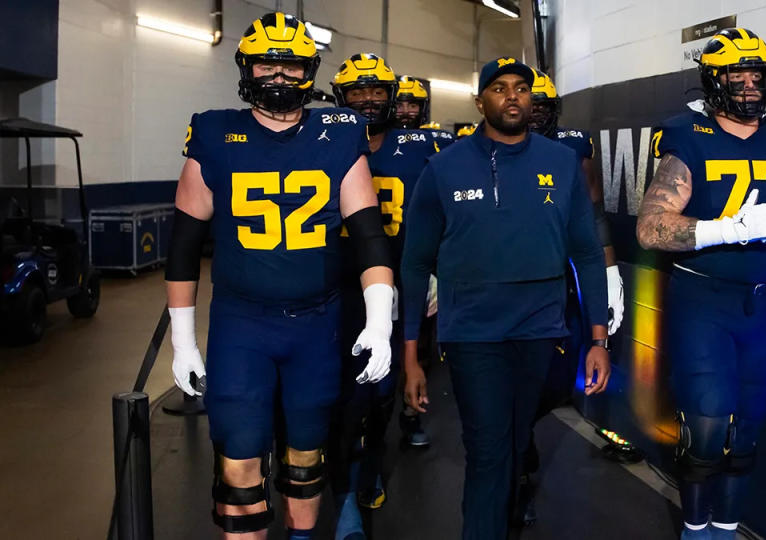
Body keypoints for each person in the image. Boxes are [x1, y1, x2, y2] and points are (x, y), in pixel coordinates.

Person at [165, 13, 395, 540]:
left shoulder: (339, 132)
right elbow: (182, 247)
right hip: (242, 325)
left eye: (291, 64)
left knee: (306, 461)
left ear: (309, 71)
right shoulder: (214, 130)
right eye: (268, 62)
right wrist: (183, 340)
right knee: (240, 473)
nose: (279, 76)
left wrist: (379, 317)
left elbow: (368, 236)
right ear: (246, 66)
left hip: (317, 323)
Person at [635, 28, 766, 540]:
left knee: (748, 429)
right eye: (738, 76)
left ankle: (725, 528)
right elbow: (650, 226)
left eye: (757, 76)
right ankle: (694, 527)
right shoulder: (688, 134)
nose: (750, 86)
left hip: (765, 301)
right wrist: (726, 229)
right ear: (713, 80)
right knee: (706, 429)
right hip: (703, 300)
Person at [401, 56, 611, 540]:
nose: (512, 96)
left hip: (539, 329)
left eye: (521, 87)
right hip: (472, 332)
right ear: (480, 102)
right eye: (499, 88)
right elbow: (414, 264)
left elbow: (585, 250)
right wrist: (411, 355)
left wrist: (599, 338)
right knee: (489, 450)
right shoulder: (443, 167)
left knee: (515, 445)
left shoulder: (560, 163)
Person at [328, 53, 438, 540]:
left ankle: (367, 471)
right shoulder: (322, 139)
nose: (369, 100)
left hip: (396, 285)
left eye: (377, 91)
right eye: (357, 92)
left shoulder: (421, 145)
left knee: (380, 395)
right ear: (340, 96)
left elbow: (441, 211)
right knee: (344, 398)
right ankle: (345, 489)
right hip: (336, 286)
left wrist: (437, 269)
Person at [514, 69, 626, 525]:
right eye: (527, 101)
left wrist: (610, 271)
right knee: (508, 382)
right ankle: (515, 462)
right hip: (504, 282)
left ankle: (520, 433)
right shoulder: (485, 149)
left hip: (558, 277)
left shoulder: (572, 146)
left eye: (542, 105)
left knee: (559, 379)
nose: (533, 112)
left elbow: (594, 212)